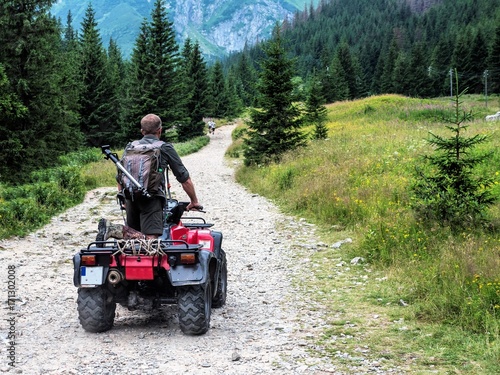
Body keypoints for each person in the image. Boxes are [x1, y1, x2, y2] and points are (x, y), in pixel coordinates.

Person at [97, 113, 202, 241]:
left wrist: (123, 197)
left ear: (142, 131)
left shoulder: (130, 147)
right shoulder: (164, 147)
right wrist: (194, 201)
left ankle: (119, 231)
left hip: (130, 198)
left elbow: (120, 175)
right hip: (151, 200)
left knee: (133, 242)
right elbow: (184, 179)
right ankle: (116, 230)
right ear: (160, 130)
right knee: (151, 241)